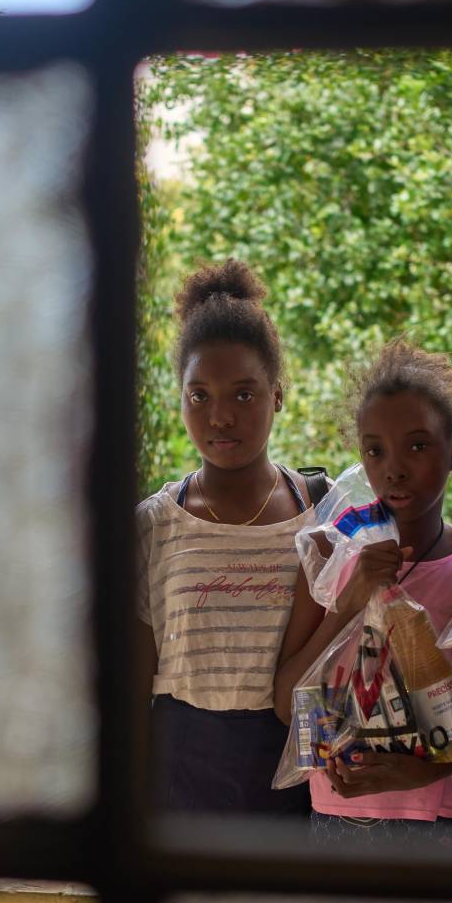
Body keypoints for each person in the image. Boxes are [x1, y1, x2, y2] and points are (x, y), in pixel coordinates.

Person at [273, 340, 452, 849]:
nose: (394, 469)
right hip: (337, 815)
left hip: (441, 818)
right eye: (374, 450)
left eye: (417, 445)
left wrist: (421, 773)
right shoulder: (329, 558)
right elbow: (285, 704)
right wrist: (352, 600)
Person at [134, 260, 318, 816]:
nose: (220, 417)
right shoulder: (153, 525)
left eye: (243, 394)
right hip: (181, 775)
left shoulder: (323, 513)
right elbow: (134, 682)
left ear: (278, 394)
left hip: (297, 768)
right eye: (199, 396)